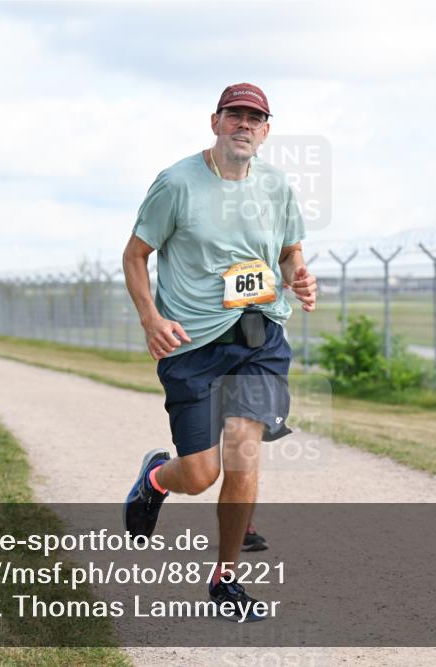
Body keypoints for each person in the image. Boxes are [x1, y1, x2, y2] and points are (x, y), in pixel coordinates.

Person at [121, 83, 316, 621]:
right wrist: (151, 319)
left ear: (267, 131)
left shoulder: (276, 186)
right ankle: (158, 477)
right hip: (192, 344)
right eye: (235, 115)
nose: (244, 125)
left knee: (244, 450)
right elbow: (135, 255)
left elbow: (289, 251)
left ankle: (225, 578)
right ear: (215, 121)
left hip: (259, 334)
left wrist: (299, 278)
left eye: (255, 118)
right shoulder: (176, 183)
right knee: (202, 473)